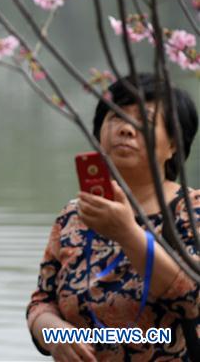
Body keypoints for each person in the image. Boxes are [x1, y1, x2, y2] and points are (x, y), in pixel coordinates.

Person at [27, 73, 200, 361]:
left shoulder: (191, 211)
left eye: (144, 121)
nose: (126, 129)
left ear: (174, 146)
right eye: (116, 117)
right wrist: (56, 334)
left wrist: (127, 234)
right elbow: (41, 302)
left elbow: (194, 300)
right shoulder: (74, 215)